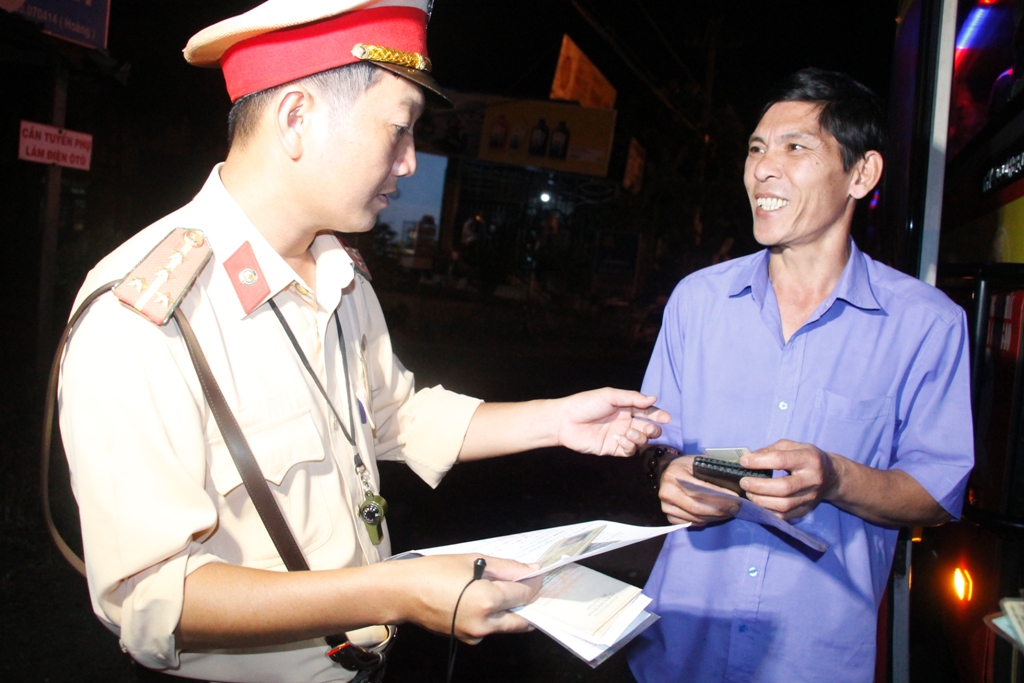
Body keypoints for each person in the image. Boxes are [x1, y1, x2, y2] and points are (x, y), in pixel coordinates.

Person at [56, 2, 669, 681]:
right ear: (296, 118)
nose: (409, 163)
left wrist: (556, 419)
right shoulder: (144, 316)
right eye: (399, 130)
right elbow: (151, 595)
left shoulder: (340, 275)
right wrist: (399, 590)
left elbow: (394, 416)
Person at [627, 68, 974, 683]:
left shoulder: (927, 325)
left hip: (815, 658)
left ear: (861, 175)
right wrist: (664, 470)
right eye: (757, 148)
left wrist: (835, 477)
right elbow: (654, 442)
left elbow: (937, 494)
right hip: (678, 644)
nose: (763, 168)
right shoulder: (696, 301)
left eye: (796, 148)